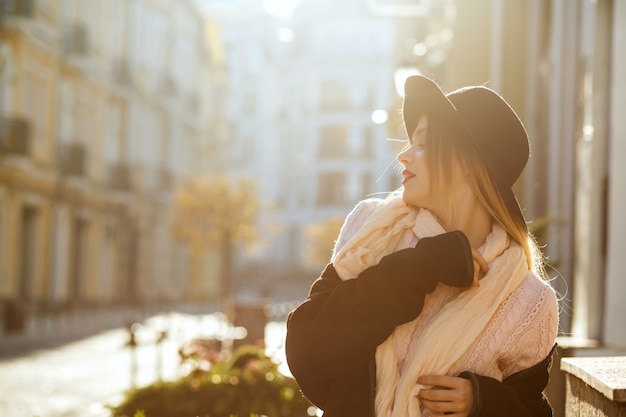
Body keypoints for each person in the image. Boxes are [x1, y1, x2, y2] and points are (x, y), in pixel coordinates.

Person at [285, 75, 559, 417]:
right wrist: (420, 268)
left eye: (424, 144)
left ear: (471, 164)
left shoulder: (529, 301)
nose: (403, 156)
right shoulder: (374, 229)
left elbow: (532, 410)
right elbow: (306, 352)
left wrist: (482, 402)